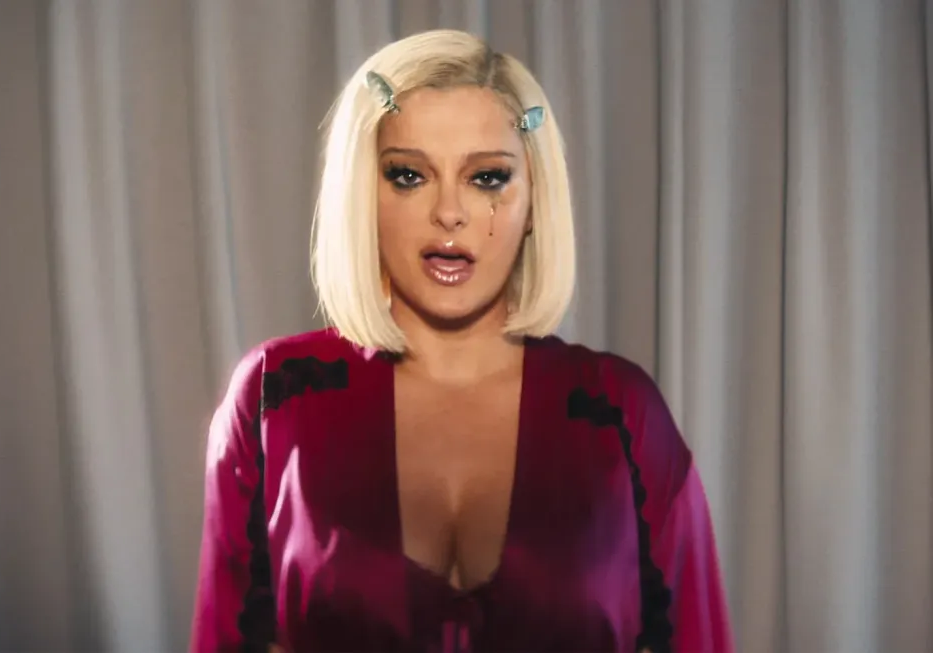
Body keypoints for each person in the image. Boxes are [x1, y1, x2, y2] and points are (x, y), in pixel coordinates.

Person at [189, 28, 734, 653]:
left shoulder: (621, 413)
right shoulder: (275, 397)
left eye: (488, 178)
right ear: (362, 194)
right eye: (407, 175)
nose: (449, 212)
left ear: (534, 200)